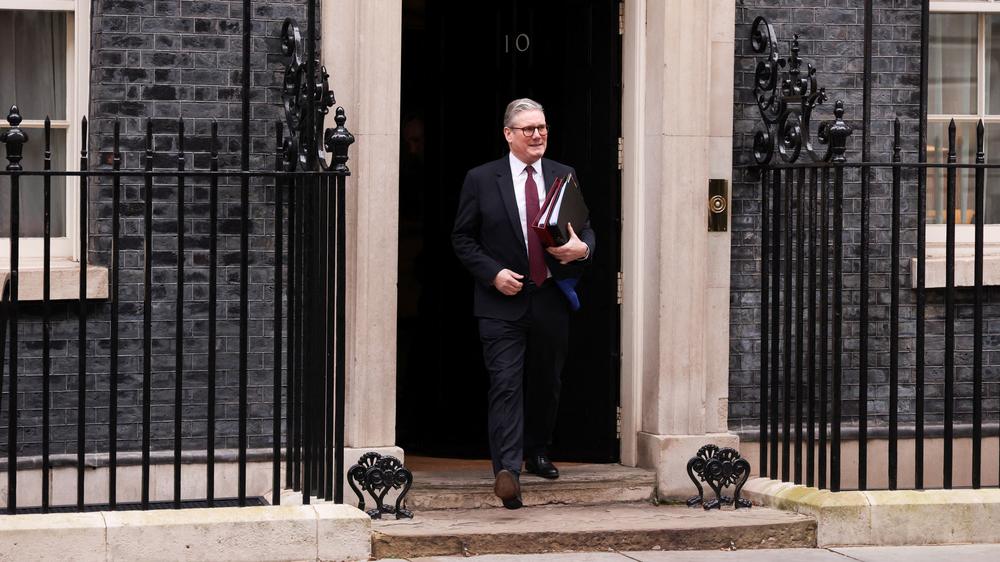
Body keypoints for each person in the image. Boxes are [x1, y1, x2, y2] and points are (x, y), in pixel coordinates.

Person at [451, 98, 595, 509]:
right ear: (508, 134)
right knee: (506, 384)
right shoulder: (481, 179)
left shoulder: (563, 175)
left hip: (550, 295)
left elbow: (584, 229)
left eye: (542, 127)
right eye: (528, 129)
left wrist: (581, 250)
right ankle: (508, 471)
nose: (538, 135)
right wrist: (493, 273)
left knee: (547, 380)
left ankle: (538, 450)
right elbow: (462, 238)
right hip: (501, 301)